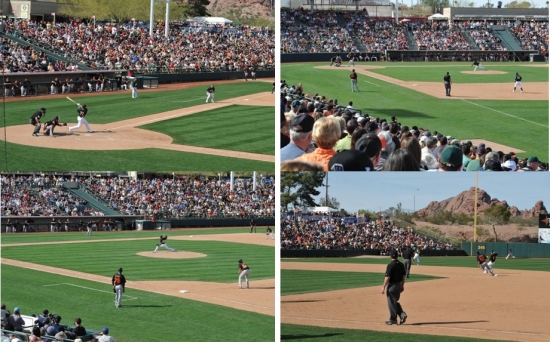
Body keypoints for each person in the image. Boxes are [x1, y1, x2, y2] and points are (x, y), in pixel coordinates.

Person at [381, 250, 407, 325]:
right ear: (397, 256)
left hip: (392, 285)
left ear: (390, 256)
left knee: (391, 303)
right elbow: (403, 276)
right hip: (399, 285)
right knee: (394, 302)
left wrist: (383, 286)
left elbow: (388, 277)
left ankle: (393, 319)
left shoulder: (390, 265)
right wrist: (402, 285)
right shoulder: (401, 264)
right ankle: (402, 314)